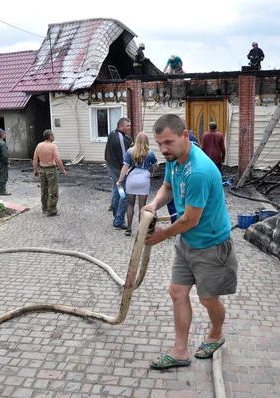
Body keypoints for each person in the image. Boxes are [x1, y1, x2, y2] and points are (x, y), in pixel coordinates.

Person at [143, 114, 237, 370]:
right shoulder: (174, 160)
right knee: (177, 293)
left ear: (185, 135)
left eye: (168, 142)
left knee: (208, 299)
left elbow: (190, 219)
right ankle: (180, 351)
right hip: (187, 243)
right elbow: (168, 187)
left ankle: (216, 334)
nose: (163, 149)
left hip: (211, 245)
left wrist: (163, 233)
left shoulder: (199, 172)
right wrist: (153, 203)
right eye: (159, 143)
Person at [116, 132, 158, 236]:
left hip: (132, 180)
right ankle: (141, 230)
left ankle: (129, 229)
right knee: (142, 206)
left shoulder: (130, 152)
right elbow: (155, 166)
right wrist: (152, 167)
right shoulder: (150, 153)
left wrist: (120, 181)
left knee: (130, 205)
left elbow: (125, 167)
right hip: (144, 180)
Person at [104, 118, 133, 229]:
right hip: (118, 171)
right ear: (120, 126)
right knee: (124, 195)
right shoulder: (120, 138)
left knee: (116, 191)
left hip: (112, 167)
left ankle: (116, 215)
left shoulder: (112, 133)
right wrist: (126, 172)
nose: (129, 127)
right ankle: (119, 220)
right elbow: (125, 159)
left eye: (130, 125)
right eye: (127, 126)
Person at [33, 129, 68, 216]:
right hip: (51, 169)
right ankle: (51, 209)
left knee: (44, 189)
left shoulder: (39, 145)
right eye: (53, 135)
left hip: (42, 169)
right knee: (53, 189)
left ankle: (44, 208)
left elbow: (34, 159)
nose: (54, 136)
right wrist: (63, 170)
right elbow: (58, 160)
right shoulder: (53, 147)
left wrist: (35, 170)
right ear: (50, 136)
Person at [167, 131, 200, 224]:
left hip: (183, 176)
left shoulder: (198, 173)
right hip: (183, 174)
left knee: (175, 202)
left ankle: (175, 223)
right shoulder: (194, 139)